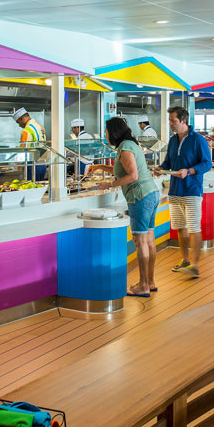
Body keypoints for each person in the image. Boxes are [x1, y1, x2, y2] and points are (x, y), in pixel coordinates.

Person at [87, 118, 160, 297]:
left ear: (114, 132)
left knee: (140, 241)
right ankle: (150, 282)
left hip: (139, 196)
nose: (105, 135)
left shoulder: (125, 147)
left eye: (106, 132)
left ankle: (143, 285)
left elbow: (133, 176)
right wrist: (99, 166)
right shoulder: (129, 144)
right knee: (149, 240)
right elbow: (122, 170)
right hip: (150, 193)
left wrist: (110, 185)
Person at [158, 106, 212, 279]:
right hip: (175, 190)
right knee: (180, 227)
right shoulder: (173, 140)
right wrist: (160, 168)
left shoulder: (198, 139)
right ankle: (185, 260)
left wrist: (189, 171)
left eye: (173, 120)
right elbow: (168, 162)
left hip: (192, 190)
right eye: (170, 121)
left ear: (183, 120)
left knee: (194, 227)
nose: (170, 124)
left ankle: (195, 265)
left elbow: (207, 164)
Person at [13, 107, 47, 181]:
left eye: (18, 122)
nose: (19, 125)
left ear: (22, 118)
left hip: (32, 165)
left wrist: (19, 164)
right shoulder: (40, 126)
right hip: (42, 164)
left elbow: (23, 150)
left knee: (31, 186)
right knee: (39, 186)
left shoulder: (26, 130)